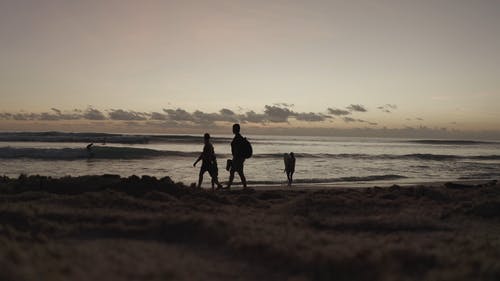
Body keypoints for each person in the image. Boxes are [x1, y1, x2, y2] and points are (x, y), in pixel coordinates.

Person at [226, 124, 247, 189]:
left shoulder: (238, 138)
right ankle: (244, 186)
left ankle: (244, 186)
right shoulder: (239, 137)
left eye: (233, 128)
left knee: (236, 172)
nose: (232, 130)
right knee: (237, 172)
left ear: (235, 129)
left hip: (238, 158)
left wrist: (235, 158)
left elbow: (237, 149)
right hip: (239, 158)